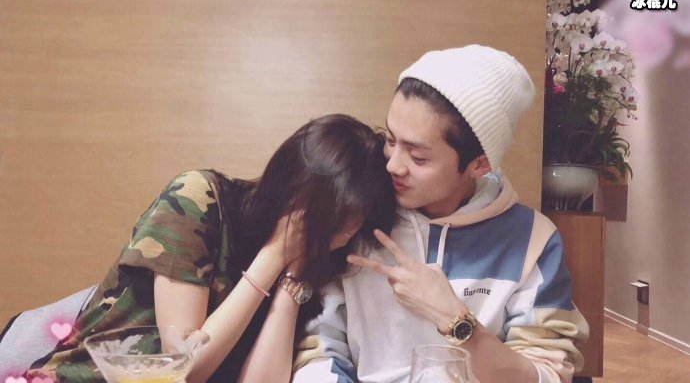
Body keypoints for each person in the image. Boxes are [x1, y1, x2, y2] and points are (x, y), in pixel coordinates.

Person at [292, 45, 590, 383]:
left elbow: (547, 375)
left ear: (480, 164)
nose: (393, 165)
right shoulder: (357, 216)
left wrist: (455, 319)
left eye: (418, 157)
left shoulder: (532, 240)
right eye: (391, 140)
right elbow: (319, 348)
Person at [24, 114, 397, 383]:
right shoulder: (199, 199)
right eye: (336, 225)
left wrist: (292, 279)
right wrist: (272, 256)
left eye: (352, 227)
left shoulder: (319, 261)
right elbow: (183, 368)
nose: (341, 240)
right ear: (293, 193)